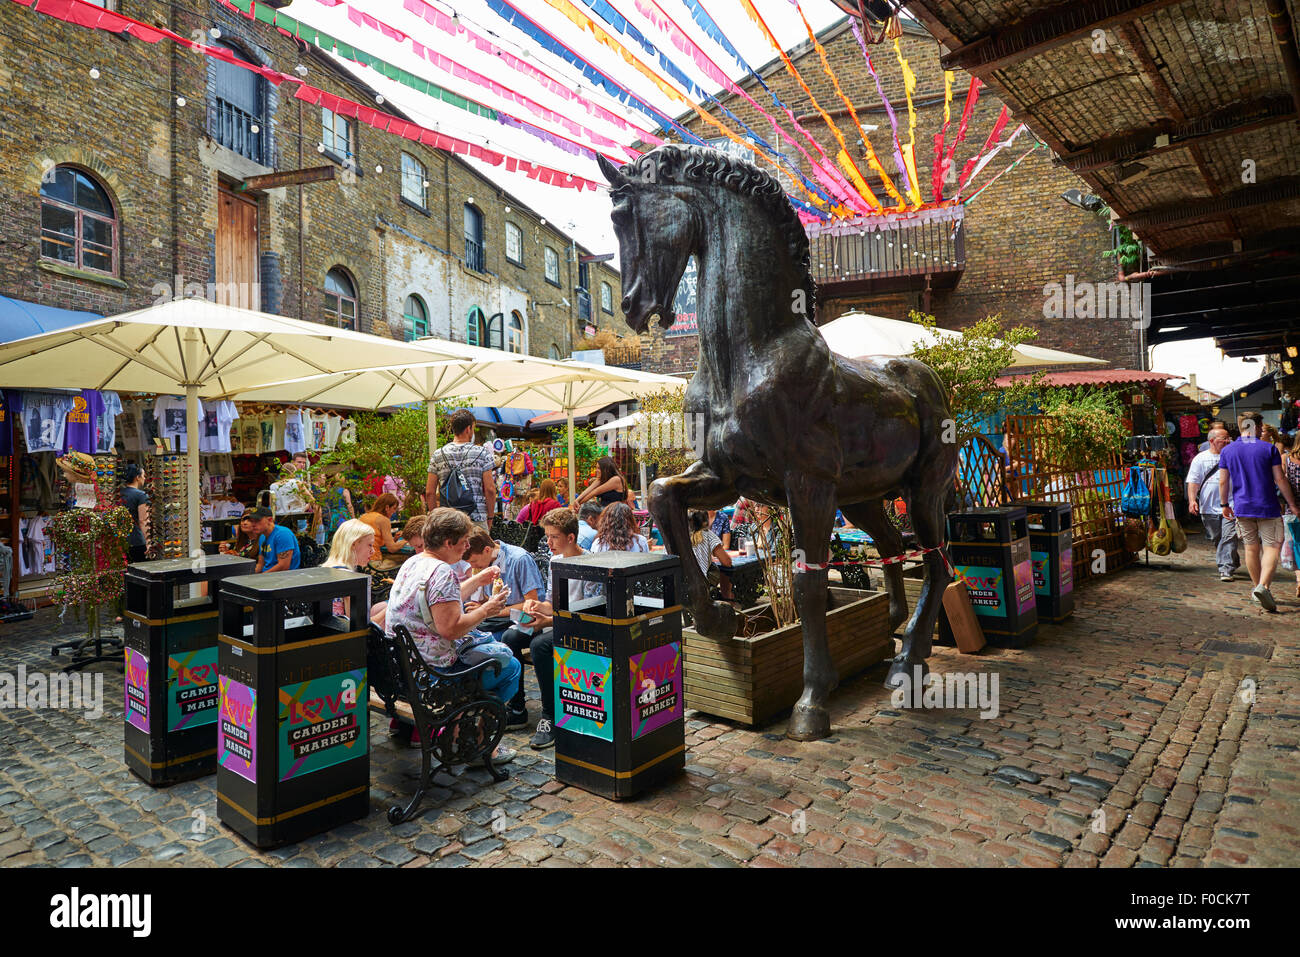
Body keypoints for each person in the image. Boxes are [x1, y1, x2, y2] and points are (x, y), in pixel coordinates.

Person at [384, 508, 518, 760]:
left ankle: (464, 732)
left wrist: (478, 581)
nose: (468, 546)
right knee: (510, 669)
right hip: (433, 678)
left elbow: (444, 601)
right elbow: (451, 628)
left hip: (404, 669)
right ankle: (478, 744)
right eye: (464, 540)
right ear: (448, 542)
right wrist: (487, 610)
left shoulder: (414, 562)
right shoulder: (442, 572)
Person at [490, 508, 587, 749]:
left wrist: (548, 620)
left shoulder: (589, 562)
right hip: (558, 619)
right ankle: (517, 706)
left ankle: (550, 715)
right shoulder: (555, 561)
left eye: (553, 537)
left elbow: (587, 612)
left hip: (581, 626)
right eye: (547, 536)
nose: (548, 542)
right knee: (511, 636)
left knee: (540, 645)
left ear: (571, 538)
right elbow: (553, 603)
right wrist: (536, 608)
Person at [462, 525, 545, 730]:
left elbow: (532, 602)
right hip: (499, 617)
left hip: (528, 619)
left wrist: (490, 609)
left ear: (487, 550)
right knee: (468, 637)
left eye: (474, 561)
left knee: (506, 639)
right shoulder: (487, 563)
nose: (474, 566)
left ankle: (517, 708)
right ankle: (481, 700)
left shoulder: (519, 559)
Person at [1218, 412, 1300, 612]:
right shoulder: (1268, 449)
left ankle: (1256, 588)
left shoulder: (1228, 451)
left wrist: (1223, 505)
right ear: (1257, 426)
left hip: (1242, 508)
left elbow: (1223, 481)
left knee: (1251, 548)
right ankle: (1264, 586)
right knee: (1271, 547)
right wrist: (1293, 504)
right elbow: (1280, 479)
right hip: (1268, 506)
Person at [1186, 427, 1239, 582]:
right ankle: (1232, 559)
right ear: (1212, 441)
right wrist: (1192, 500)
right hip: (1208, 506)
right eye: (1224, 438)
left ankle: (1225, 569)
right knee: (1217, 538)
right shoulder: (1200, 458)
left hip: (1231, 504)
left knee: (1229, 536)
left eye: (1229, 438)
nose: (1228, 441)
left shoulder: (1233, 456)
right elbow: (1193, 482)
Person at [426, 408, 496, 524]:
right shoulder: (482, 453)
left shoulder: (438, 455)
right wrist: (490, 517)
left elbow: (429, 492)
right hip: (476, 517)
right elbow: (490, 490)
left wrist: (436, 519)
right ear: (469, 428)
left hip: (448, 520)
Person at [322, 518, 385, 626]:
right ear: (353, 544)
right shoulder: (349, 579)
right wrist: (390, 608)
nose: (373, 551)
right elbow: (360, 626)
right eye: (369, 545)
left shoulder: (328, 569)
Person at [689, 509, 733, 600]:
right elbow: (727, 561)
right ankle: (728, 599)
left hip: (681, 583)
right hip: (702, 583)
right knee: (727, 569)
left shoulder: (678, 535)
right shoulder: (707, 535)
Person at [271, 452, 319, 533]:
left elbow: (273, 505)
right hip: (297, 517)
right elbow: (312, 500)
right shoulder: (296, 482)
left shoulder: (273, 486)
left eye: (304, 463)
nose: (302, 465)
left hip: (280, 519)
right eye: (299, 462)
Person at [249, 506, 301, 573]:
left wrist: (260, 577)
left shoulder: (282, 534)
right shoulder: (262, 536)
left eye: (257, 521)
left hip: (285, 577)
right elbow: (260, 564)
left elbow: (283, 566)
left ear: (270, 520)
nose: (253, 524)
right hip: (267, 575)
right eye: (251, 521)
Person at [358, 493, 409, 557]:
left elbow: (376, 541)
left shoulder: (364, 516)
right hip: (373, 561)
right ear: (387, 507)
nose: (394, 512)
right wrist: (407, 539)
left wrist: (394, 539)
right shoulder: (383, 520)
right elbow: (392, 548)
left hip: (359, 559)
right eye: (394, 508)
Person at [1282, 432, 1300, 599]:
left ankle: (1299, 577)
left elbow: (1281, 482)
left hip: (1292, 508)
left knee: (1296, 545)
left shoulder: (1286, 459)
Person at [315, 463, 355, 539]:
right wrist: (353, 518)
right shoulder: (344, 491)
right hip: (343, 516)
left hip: (332, 516)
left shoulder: (328, 491)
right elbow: (349, 506)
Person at [121, 463, 150, 563]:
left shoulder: (119, 493)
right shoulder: (141, 495)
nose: (144, 478)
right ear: (137, 477)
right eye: (143, 476)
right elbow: (143, 521)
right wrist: (148, 542)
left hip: (121, 540)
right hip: (137, 541)